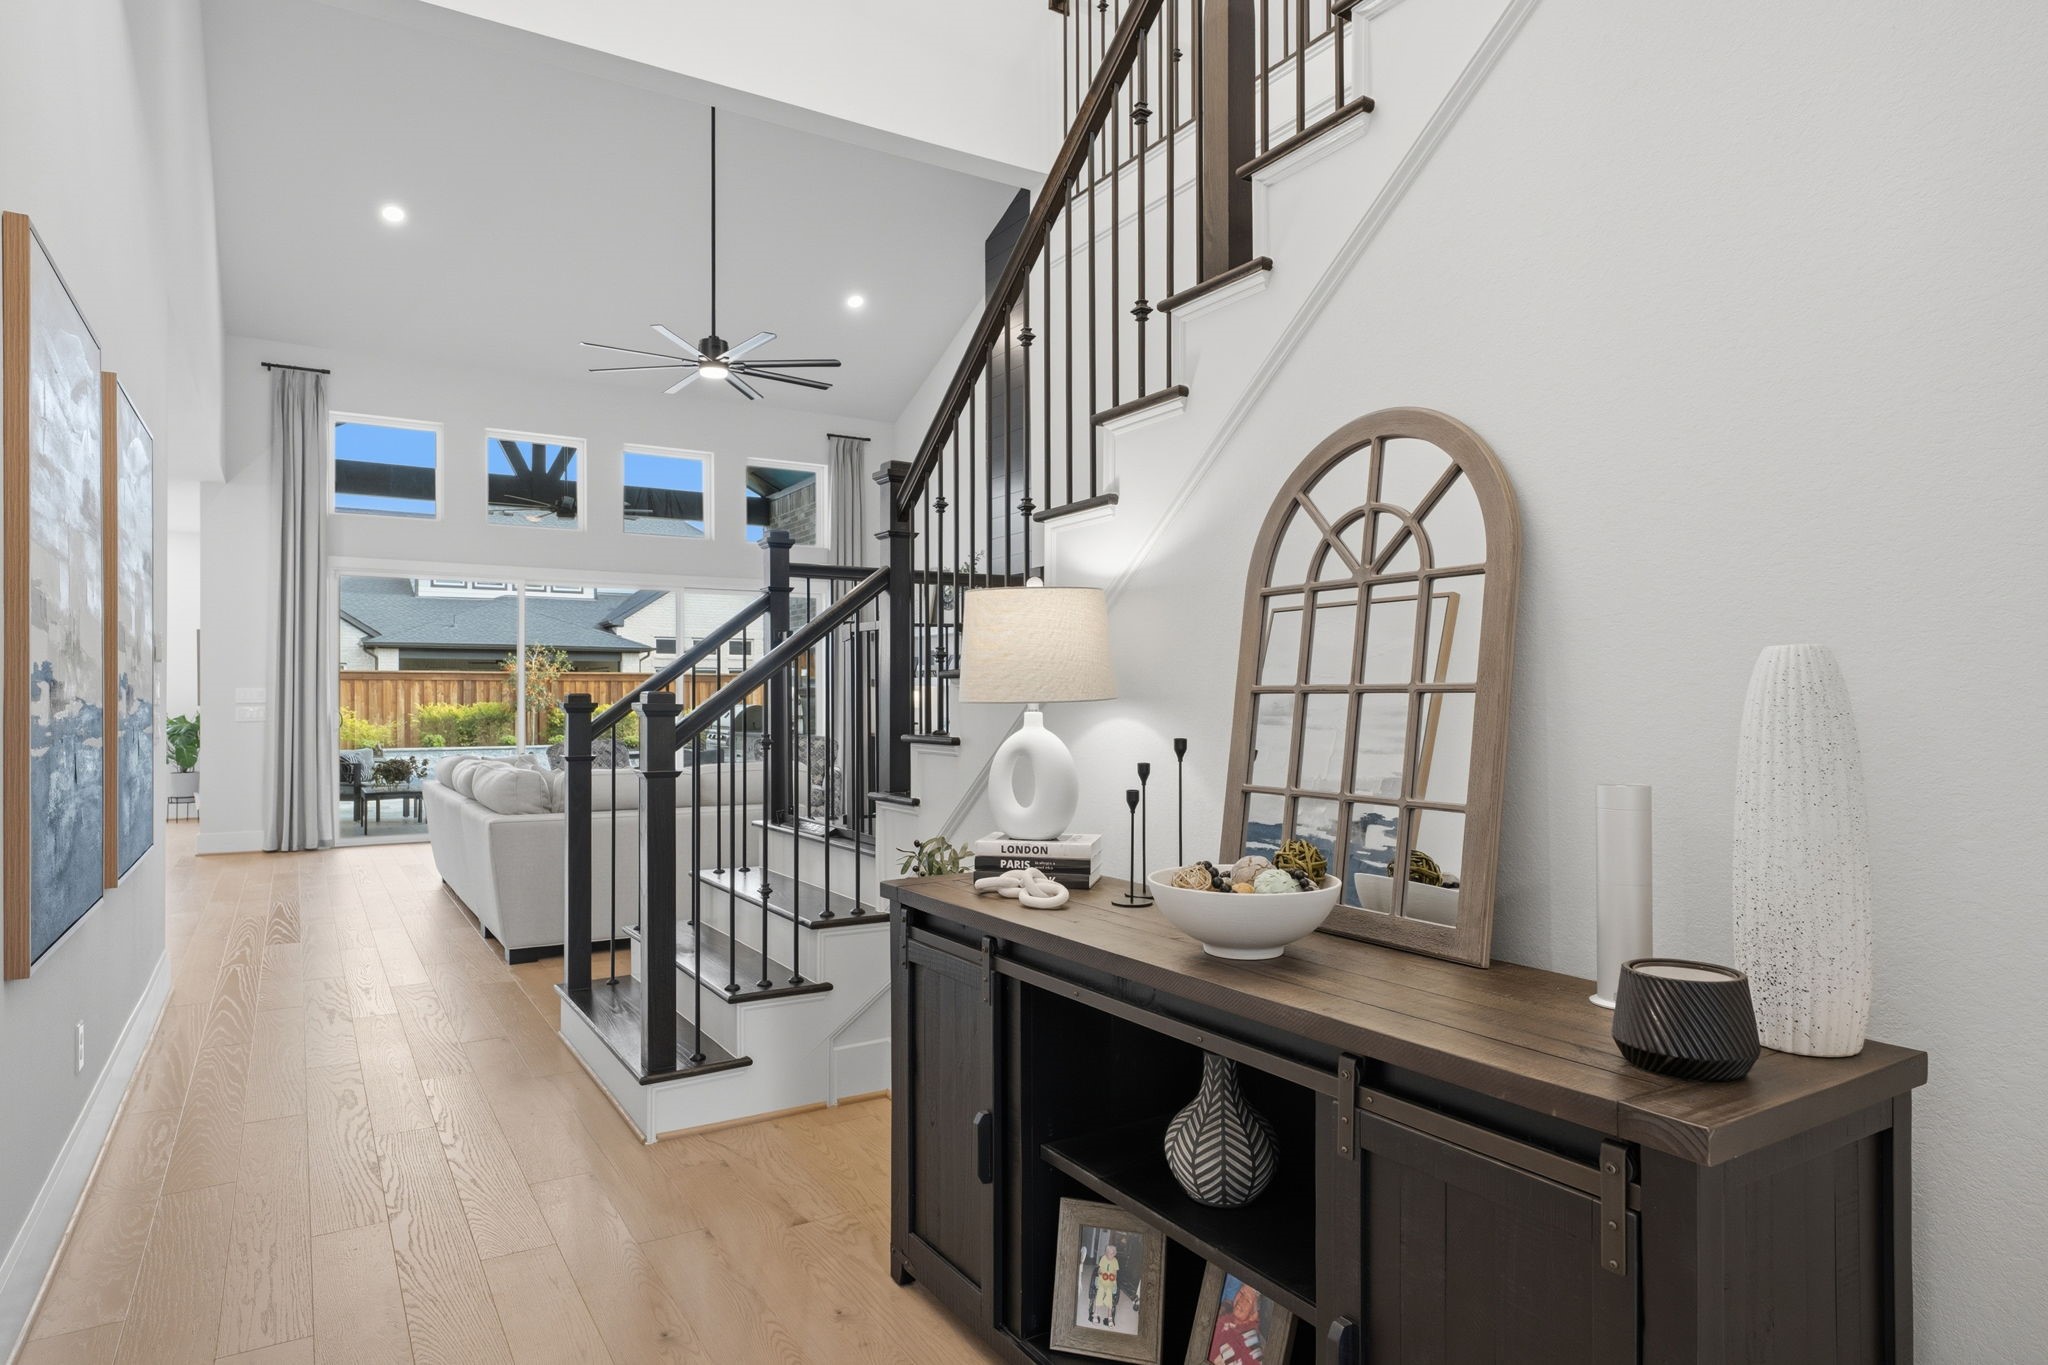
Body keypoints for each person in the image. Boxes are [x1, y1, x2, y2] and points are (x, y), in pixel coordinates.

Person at [1207, 1279, 1267, 1364]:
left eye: (1247, 1300)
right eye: (1241, 1293)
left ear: (1254, 1315)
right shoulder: (1224, 1319)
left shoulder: (1251, 1348)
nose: (1241, 1300)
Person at [1092, 1239, 1121, 1327]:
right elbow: (1099, 1270)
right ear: (1106, 1252)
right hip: (1102, 1280)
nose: (1110, 1255)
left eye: (1112, 1253)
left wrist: (1113, 1277)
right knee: (1100, 1293)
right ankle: (1096, 1314)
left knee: (1109, 1294)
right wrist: (1102, 1273)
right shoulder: (1103, 1258)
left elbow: (1115, 1272)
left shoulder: (1115, 1261)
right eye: (1108, 1252)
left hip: (1110, 1282)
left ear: (1115, 1254)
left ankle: (1109, 1317)